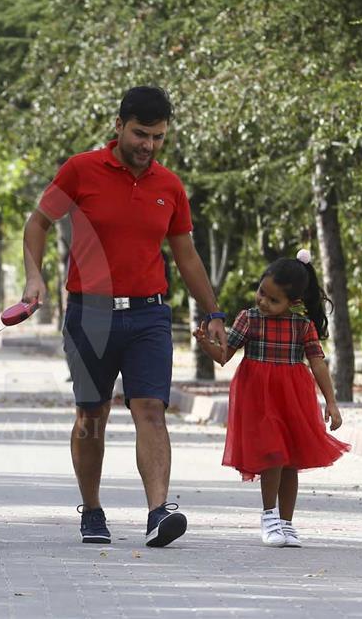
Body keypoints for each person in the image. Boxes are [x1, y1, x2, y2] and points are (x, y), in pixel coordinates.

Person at [22, 86, 228, 547]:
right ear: (119, 126)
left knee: (151, 409)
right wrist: (34, 277)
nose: (148, 145)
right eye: (140, 134)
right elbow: (37, 222)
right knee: (91, 416)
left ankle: (158, 512)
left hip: (149, 315)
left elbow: (187, 255)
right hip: (90, 314)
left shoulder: (169, 186)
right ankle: (92, 511)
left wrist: (214, 311)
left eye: (158, 137)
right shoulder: (81, 170)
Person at [194, 249, 350, 547]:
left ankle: (286, 524)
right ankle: (269, 518)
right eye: (261, 292)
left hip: (293, 398)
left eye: (273, 299)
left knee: (290, 462)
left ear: (294, 302)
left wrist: (331, 403)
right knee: (274, 455)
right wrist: (205, 344)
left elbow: (317, 363)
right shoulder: (249, 319)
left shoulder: (303, 325)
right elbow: (224, 356)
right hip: (258, 399)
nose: (263, 301)